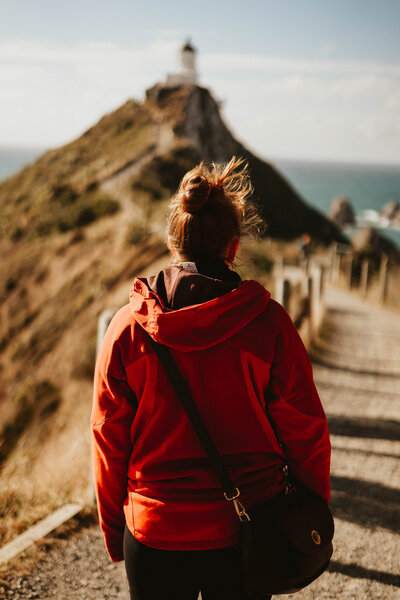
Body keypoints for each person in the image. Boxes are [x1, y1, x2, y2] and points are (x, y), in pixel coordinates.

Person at [91, 157, 331, 600]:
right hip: (248, 528)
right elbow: (305, 429)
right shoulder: (270, 325)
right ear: (234, 247)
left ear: (172, 241)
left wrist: (113, 527)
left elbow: (108, 436)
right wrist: (309, 510)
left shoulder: (127, 329)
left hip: (154, 530)